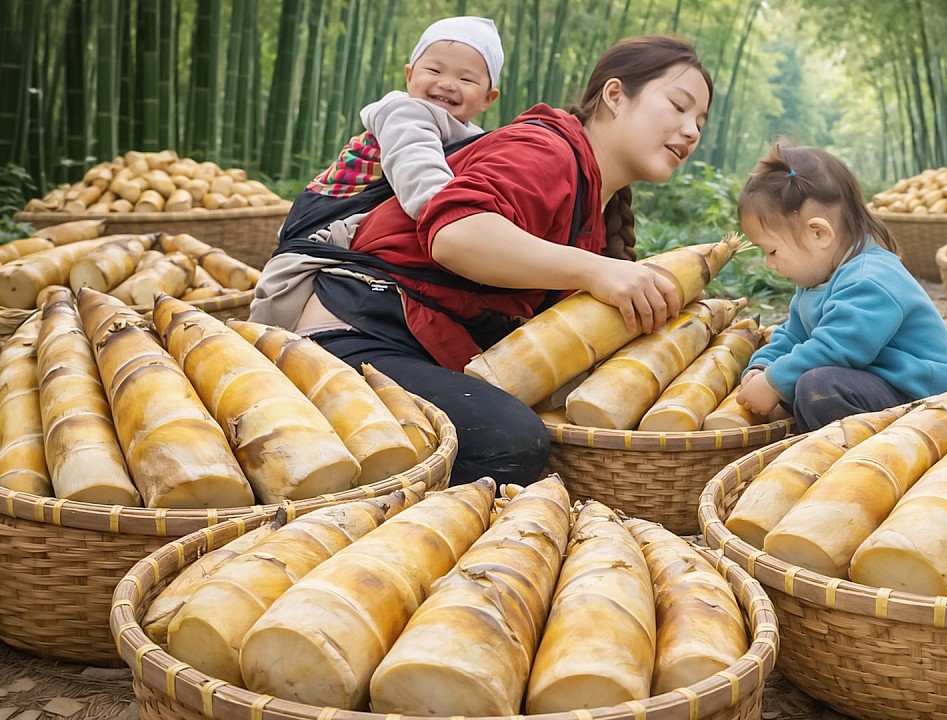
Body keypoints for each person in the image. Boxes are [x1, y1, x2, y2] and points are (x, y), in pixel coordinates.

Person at [271, 36, 713, 487]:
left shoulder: (598, 206)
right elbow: (455, 237)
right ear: (615, 95)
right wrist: (595, 269)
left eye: (699, 121)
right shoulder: (545, 150)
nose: (692, 131)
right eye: (678, 106)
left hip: (424, 346)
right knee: (509, 441)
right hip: (357, 333)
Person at [252, 16, 503, 327]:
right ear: (409, 75)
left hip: (358, 240)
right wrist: (477, 232)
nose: (448, 84)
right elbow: (425, 188)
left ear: (488, 98)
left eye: (466, 79)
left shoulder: (473, 137)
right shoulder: (406, 115)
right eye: (434, 71)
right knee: (284, 338)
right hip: (321, 240)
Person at [734, 142, 947, 432]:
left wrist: (774, 382)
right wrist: (762, 366)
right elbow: (793, 335)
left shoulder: (870, 279)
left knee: (818, 388)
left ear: (819, 233)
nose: (769, 264)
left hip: (923, 399)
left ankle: (856, 449)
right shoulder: (817, 281)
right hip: (873, 384)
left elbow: (838, 348)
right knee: (804, 383)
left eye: (772, 251)